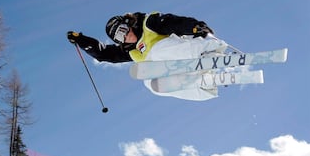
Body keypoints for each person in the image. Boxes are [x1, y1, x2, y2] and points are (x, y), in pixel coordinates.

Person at [67, 11, 228, 100]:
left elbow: (173, 23)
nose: (125, 37)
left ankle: (210, 56)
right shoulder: (131, 50)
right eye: (119, 38)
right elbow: (104, 54)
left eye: (123, 31)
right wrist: (81, 40)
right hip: (184, 68)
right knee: (151, 83)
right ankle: (203, 86)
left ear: (128, 23)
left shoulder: (149, 24)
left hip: (191, 50)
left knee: (157, 51)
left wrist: (194, 27)